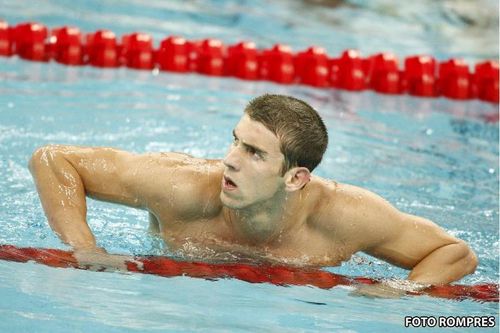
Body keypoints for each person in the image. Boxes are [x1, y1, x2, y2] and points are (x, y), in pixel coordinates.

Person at [29, 94, 477, 288]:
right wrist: (83, 248)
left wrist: (404, 294)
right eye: (235, 140)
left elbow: (456, 254)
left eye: (255, 153)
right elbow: (53, 159)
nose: (230, 159)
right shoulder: (179, 186)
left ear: (296, 178)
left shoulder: (346, 215)